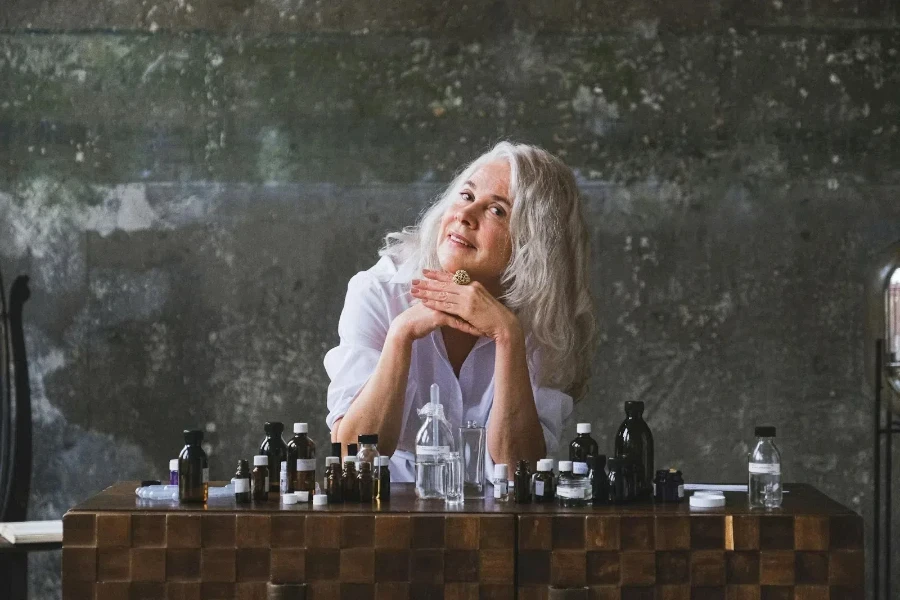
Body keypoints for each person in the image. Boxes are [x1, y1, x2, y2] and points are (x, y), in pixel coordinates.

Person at [324, 141, 595, 483]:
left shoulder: (543, 322)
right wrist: (401, 334)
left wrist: (507, 335)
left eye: (497, 211)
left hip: (496, 524)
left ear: (533, 242)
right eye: (467, 196)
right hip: (385, 515)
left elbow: (518, 470)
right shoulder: (381, 291)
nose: (465, 216)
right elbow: (351, 454)